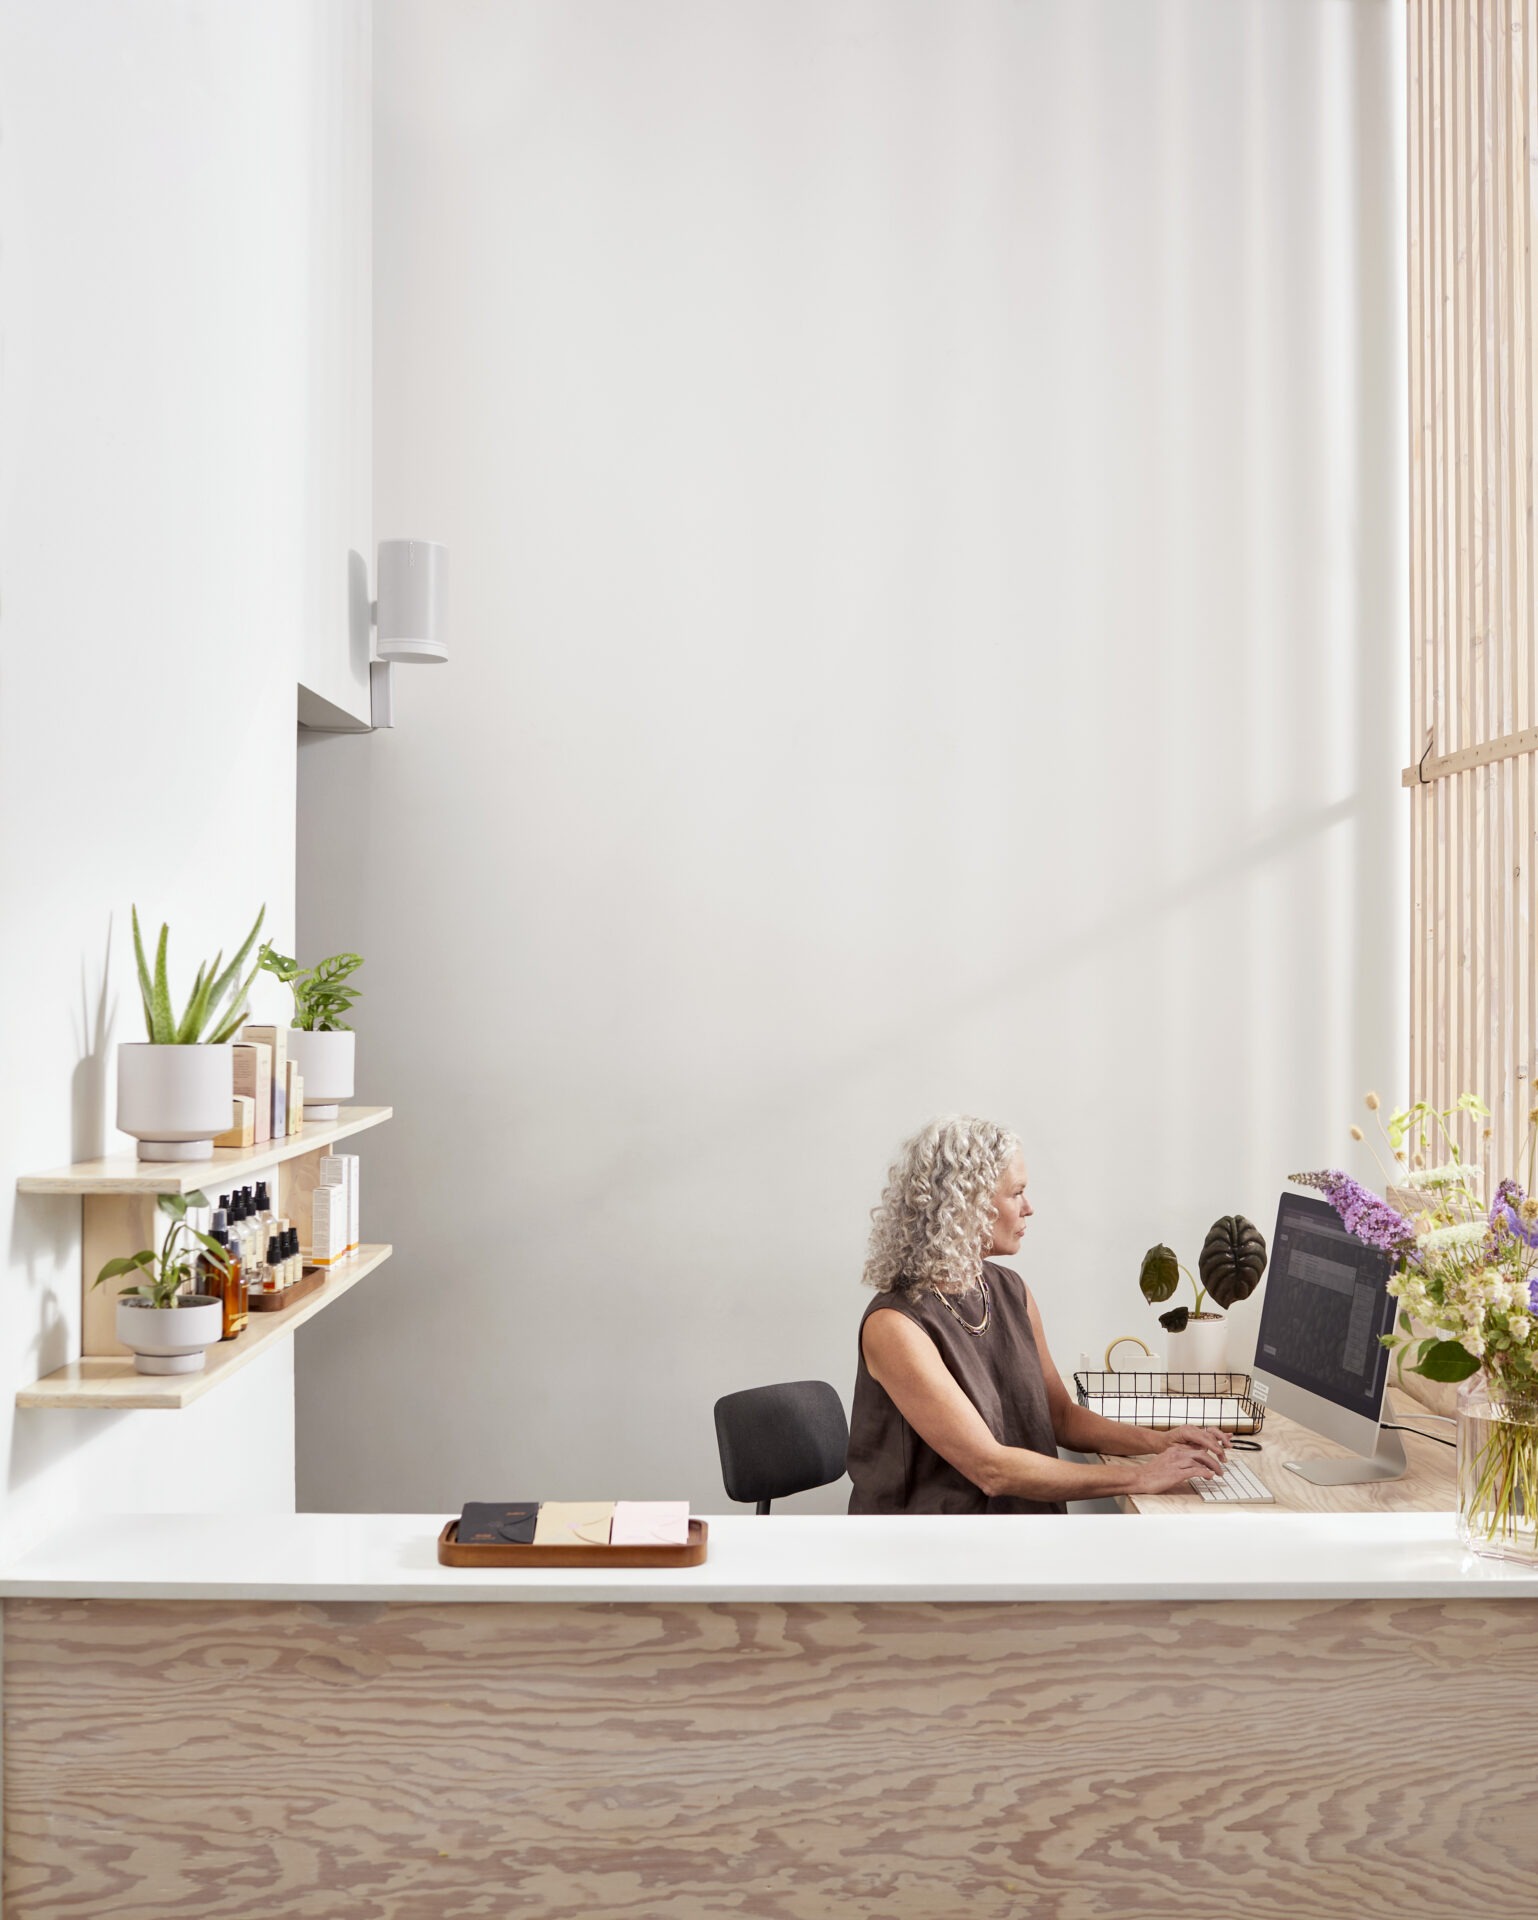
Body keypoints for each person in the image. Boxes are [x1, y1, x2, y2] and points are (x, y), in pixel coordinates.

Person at [846, 1115, 1229, 1513]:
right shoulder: (895, 1326)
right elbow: (990, 1468)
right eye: (1017, 1193)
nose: (1029, 1207)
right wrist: (1143, 1476)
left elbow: (1061, 1417)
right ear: (966, 1205)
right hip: (933, 1549)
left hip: (1021, 1531)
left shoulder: (1010, 1290)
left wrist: (1160, 1443)